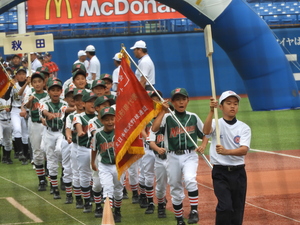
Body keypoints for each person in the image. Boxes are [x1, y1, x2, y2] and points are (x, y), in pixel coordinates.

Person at [152, 88, 209, 225]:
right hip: (172, 157)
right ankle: (179, 219)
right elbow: (154, 129)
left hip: (189, 155)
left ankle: (194, 211)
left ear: (188, 101)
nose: (181, 102)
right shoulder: (167, 117)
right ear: (172, 101)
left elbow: (205, 134)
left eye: (183, 99)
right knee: (175, 187)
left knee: (190, 179)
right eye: (177, 99)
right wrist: (162, 111)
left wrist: (203, 145)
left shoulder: (193, 117)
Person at [202, 90, 251, 225]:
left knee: (237, 209)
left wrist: (226, 151)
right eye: (228, 103)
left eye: (235, 103)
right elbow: (205, 131)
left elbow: (244, 150)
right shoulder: (215, 123)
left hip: (239, 173)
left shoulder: (243, 127)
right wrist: (211, 111)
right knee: (225, 207)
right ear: (221, 107)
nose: (232, 106)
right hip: (220, 173)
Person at [91, 107, 125, 223]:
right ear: (101, 120)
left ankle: (118, 210)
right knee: (107, 189)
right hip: (104, 165)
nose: (110, 122)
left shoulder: (120, 132)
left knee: (118, 190)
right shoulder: (98, 134)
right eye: (106, 120)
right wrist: (92, 162)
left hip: (118, 165)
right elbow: (94, 149)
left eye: (112, 119)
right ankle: (108, 215)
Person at [40, 79, 70, 199]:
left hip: (61, 132)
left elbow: (67, 110)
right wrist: (48, 115)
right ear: (48, 91)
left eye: (58, 90)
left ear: (61, 91)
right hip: (49, 132)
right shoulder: (44, 101)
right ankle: (54, 187)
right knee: (51, 160)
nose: (55, 92)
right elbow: (43, 110)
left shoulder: (64, 102)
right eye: (53, 90)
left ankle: (63, 174)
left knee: (59, 150)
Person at [73, 91, 98, 213]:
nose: (93, 104)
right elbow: (78, 125)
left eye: (95, 101)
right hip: (83, 149)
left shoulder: (100, 116)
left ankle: (99, 200)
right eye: (90, 102)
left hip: (97, 151)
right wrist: (79, 131)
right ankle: (86, 201)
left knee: (97, 176)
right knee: (84, 175)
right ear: (84, 104)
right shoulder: (79, 116)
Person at [24, 71, 48, 191]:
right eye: (35, 82)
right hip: (34, 125)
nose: (37, 84)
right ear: (32, 83)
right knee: (37, 152)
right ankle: (41, 180)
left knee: (48, 151)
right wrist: (30, 100)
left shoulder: (48, 94)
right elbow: (26, 107)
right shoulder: (30, 93)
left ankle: (51, 175)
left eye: (39, 81)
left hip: (47, 126)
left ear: (44, 82)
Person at [4, 67, 30, 165]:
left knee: (25, 133)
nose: (22, 75)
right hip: (15, 110)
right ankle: (20, 152)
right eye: (19, 74)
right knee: (17, 130)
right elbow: (7, 97)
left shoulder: (29, 87)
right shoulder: (14, 86)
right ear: (16, 76)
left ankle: (25, 153)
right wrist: (10, 86)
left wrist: (29, 83)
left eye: (23, 74)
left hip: (25, 110)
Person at [0, 97, 13, 164]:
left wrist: (10, 109)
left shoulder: (10, 97)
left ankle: (7, 157)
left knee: (8, 141)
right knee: (0, 138)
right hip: (0, 121)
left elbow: (15, 108)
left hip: (8, 121)